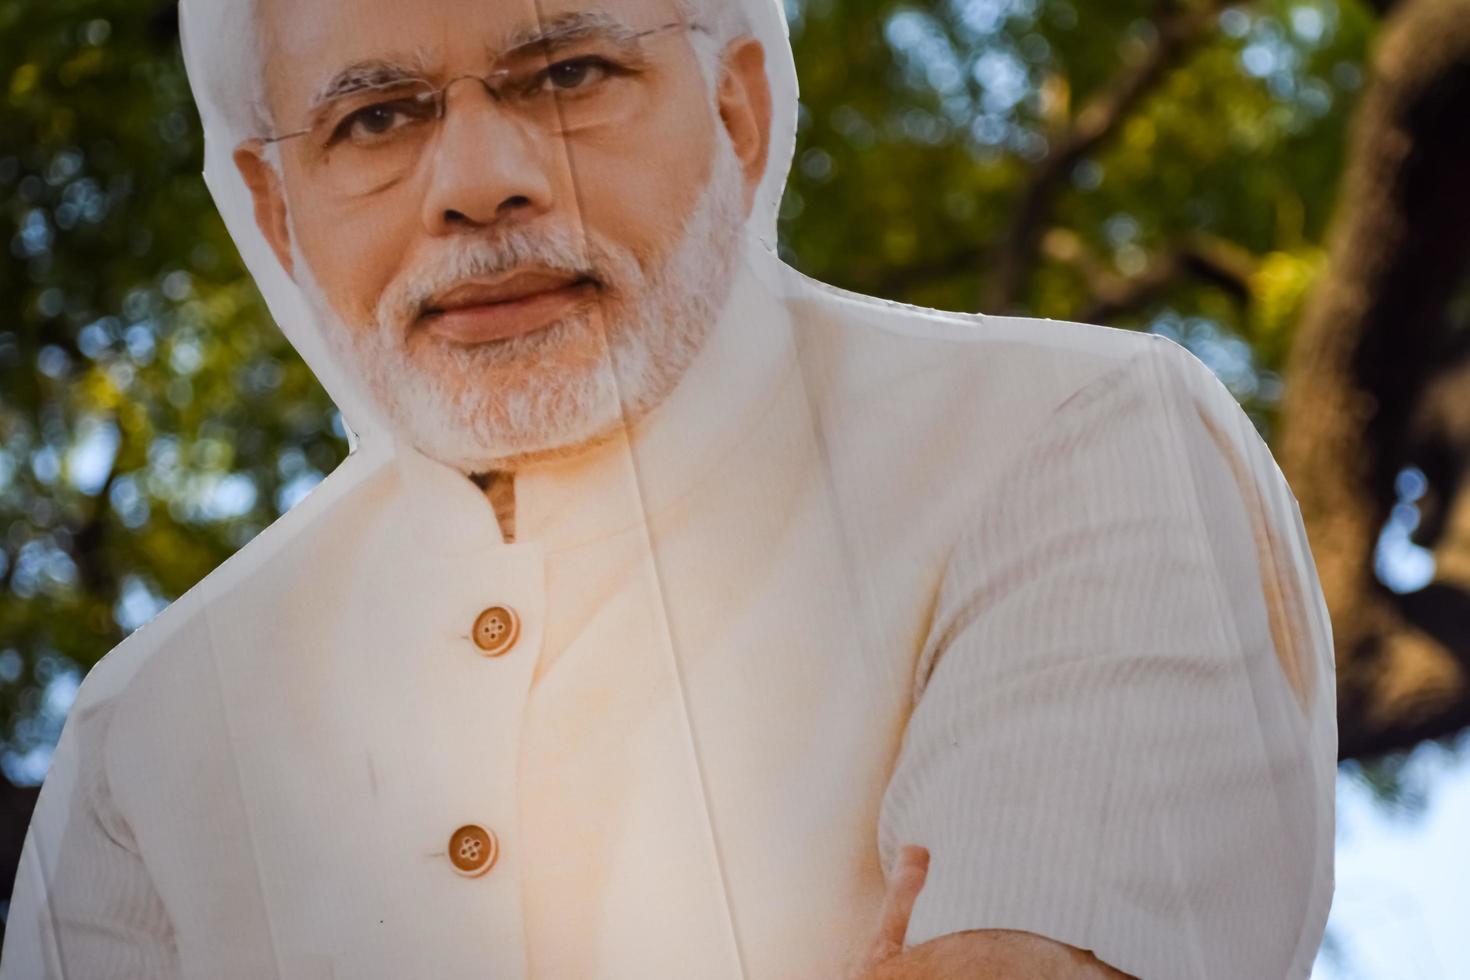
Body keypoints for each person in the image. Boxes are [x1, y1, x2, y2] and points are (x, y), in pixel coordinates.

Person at [0, 0, 1338, 977]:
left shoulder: (1065, 441)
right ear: (278, 212)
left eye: (566, 73)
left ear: (740, 110)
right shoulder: (147, 730)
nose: (479, 184)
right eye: (375, 119)